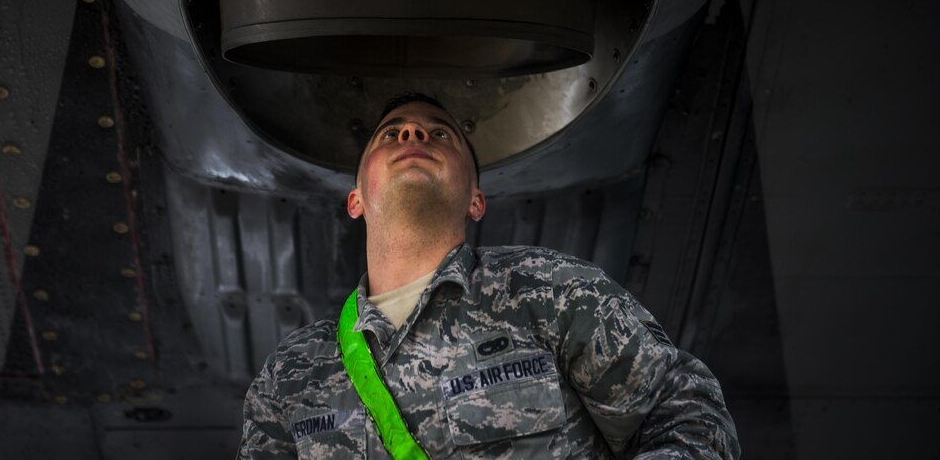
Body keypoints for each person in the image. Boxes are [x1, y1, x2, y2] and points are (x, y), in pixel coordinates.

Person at [238, 92, 740, 458]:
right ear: (355, 200)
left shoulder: (550, 292)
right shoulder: (292, 373)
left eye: (440, 134)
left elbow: (685, 415)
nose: (413, 134)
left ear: (476, 200)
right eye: (391, 133)